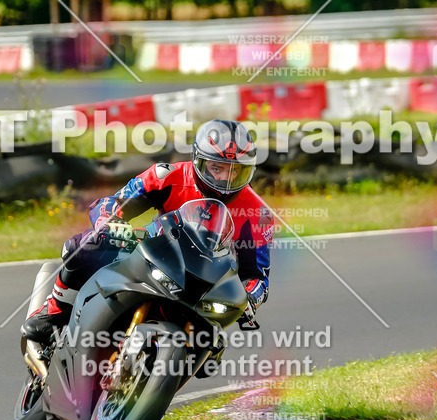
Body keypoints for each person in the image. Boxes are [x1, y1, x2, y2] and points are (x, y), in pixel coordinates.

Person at [21, 119, 272, 355]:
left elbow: (258, 277)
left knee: (210, 347)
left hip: (206, 280)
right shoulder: (168, 176)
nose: (224, 181)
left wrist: (249, 299)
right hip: (155, 249)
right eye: (216, 168)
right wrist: (108, 223)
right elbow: (113, 203)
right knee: (85, 245)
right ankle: (54, 310)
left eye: (235, 171)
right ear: (198, 160)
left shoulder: (257, 213)